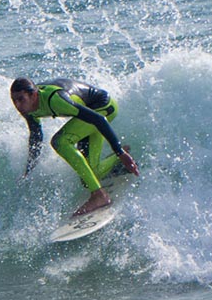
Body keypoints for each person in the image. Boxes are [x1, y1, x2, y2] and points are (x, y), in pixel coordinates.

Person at [10, 77, 139, 216]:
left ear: (33, 95)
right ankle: (117, 161)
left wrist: (119, 151)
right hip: (88, 116)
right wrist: (29, 170)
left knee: (59, 141)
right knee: (89, 177)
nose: (17, 105)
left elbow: (99, 119)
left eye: (21, 99)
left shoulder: (55, 99)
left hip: (103, 108)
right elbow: (36, 137)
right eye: (14, 100)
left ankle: (99, 195)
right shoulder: (28, 109)